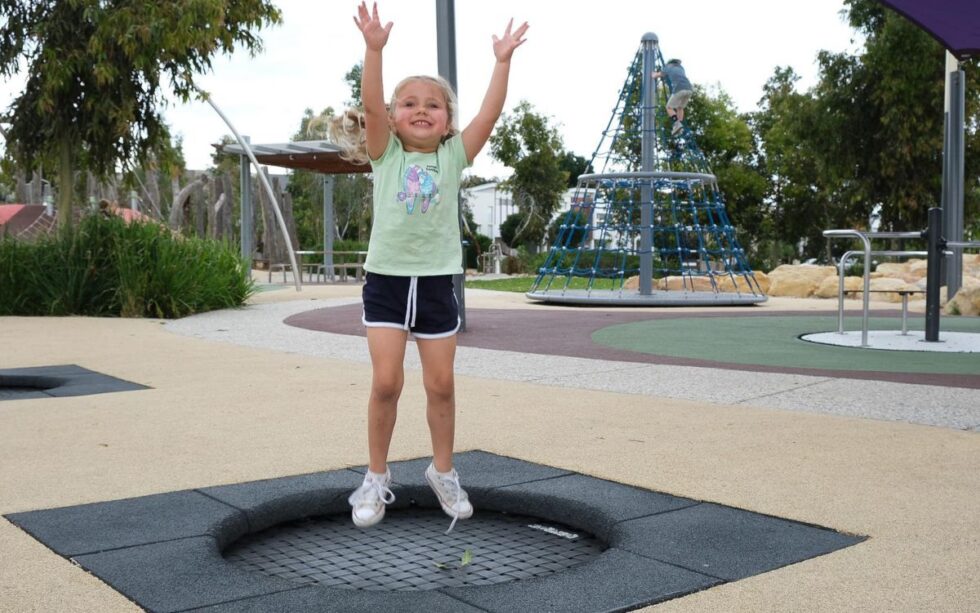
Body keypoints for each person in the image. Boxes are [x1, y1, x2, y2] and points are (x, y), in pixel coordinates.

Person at [337, 1, 528, 532]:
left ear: (447, 122)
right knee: (386, 382)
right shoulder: (386, 154)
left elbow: (488, 115)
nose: (422, 110)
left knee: (441, 384)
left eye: (434, 105)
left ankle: (442, 472)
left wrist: (502, 62)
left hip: (438, 283)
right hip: (388, 282)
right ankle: (376, 476)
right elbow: (370, 104)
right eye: (409, 103)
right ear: (393, 117)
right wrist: (373, 50)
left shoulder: (453, 157)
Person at [652, 58, 693, 136]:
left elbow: (657, 75)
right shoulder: (681, 68)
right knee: (680, 107)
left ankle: (676, 124)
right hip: (689, 89)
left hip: (679, 88)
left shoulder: (668, 67)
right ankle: (680, 126)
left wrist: (653, 74)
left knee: (669, 107)